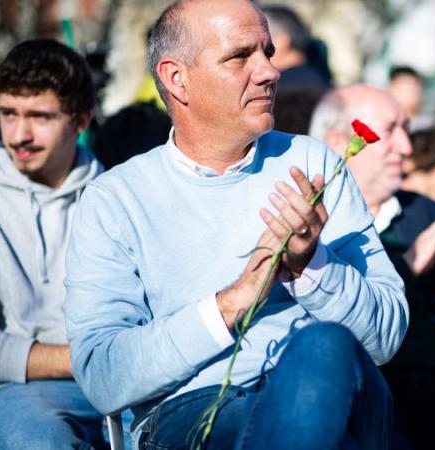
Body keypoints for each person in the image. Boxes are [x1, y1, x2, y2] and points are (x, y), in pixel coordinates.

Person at [64, 1, 408, 450]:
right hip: (199, 413)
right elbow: (103, 379)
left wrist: (312, 266)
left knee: (323, 347)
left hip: (335, 391)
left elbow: (385, 338)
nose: (270, 71)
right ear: (176, 78)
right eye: (240, 56)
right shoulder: (115, 200)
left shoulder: (314, 164)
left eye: (267, 51)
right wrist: (229, 306)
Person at [309, 84, 435, 450]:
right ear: (337, 141)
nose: (406, 150)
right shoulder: (306, 222)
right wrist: (408, 264)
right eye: (390, 131)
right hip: (356, 390)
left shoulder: (432, 215)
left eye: (406, 132)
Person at [0, 39, 104, 449]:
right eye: (8, 114)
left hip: (116, 388)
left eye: (39, 116)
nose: (20, 134)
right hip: (3, 393)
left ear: (80, 122)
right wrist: (82, 360)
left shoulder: (117, 197)